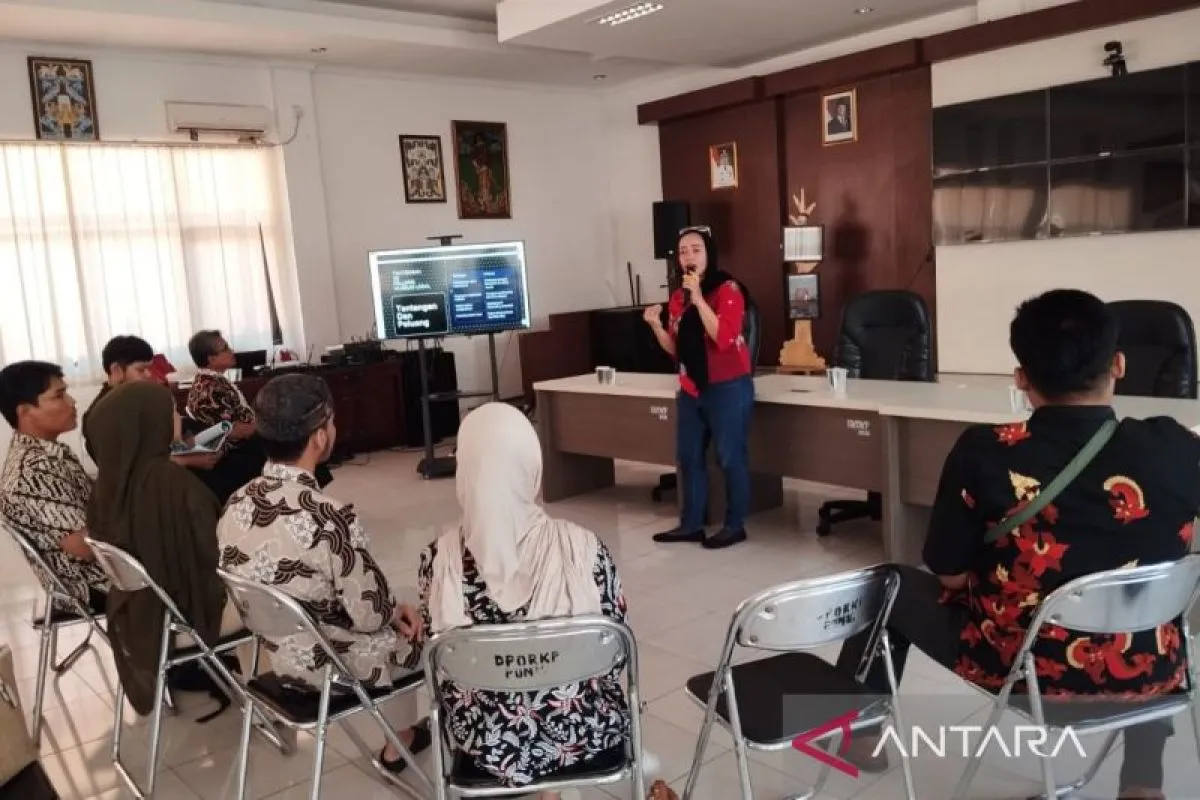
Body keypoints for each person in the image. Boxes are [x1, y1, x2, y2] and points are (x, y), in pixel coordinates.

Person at [834, 290, 1198, 800]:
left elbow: (949, 573)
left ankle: (859, 736)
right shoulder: (1175, 446)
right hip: (1154, 673)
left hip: (1029, 672)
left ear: (1021, 378)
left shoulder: (984, 451)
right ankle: (1143, 781)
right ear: (1118, 365)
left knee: (889, 585)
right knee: (1141, 609)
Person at [412, 402, 630, 797]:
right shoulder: (584, 548)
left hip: (486, 742)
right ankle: (554, 788)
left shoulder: (439, 560)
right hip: (586, 730)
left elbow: (436, 656)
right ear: (531, 465)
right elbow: (615, 646)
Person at [217, 374, 430, 772]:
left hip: (272, 658)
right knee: (421, 624)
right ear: (319, 437)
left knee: (390, 607)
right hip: (329, 667)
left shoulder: (236, 503)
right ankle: (401, 741)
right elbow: (370, 617)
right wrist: (393, 609)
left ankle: (400, 736)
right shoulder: (328, 516)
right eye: (331, 422)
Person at [84, 381, 239, 716]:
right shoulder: (174, 486)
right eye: (172, 411)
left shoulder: (105, 487)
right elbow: (217, 558)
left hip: (138, 613)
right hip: (184, 617)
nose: (179, 417)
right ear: (148, 423)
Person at [642, 226, 754, 549]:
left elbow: (723, 337)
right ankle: (691, 524)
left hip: (727, 386)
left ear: (709, 254)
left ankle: (735, 525)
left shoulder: (729, 290)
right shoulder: (678, 298)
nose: (688, 256)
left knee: (730, 457)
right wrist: (656, 326)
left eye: (695, 249)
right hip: (692, 388)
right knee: (688, 457)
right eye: (682, 251)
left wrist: (700, 299)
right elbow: (676, 349)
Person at [0, 361, 108, 611]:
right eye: (59, 396)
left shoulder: (51, 453)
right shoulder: (33, 470)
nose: (72, 402)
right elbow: (83, 547)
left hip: (104, 569)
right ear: (25, 411)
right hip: (91, 583)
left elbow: (97, 502)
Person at [83, 335, 220, 472]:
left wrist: (180, 442)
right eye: (141, 370)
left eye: (149, 368)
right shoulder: (102, 414)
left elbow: (167, 438)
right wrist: (188, 460)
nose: (148, 375)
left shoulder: (136, 398)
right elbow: (133, 465)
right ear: (116, 370)